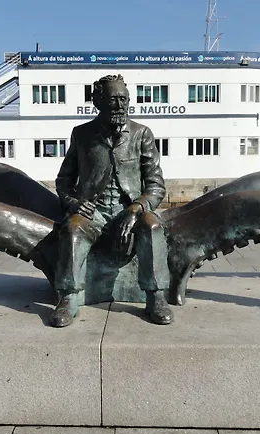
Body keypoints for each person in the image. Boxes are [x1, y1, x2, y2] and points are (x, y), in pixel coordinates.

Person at [51, 74, 173, 327]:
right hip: (92, 211)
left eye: (123, 99)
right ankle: (69, 296)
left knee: (152, 227)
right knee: (73, 229)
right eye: (112, 100)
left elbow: (155, 186)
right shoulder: (82, 134)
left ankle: (156, 296)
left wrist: (136, 209)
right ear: (97, 102)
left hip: (130, 208)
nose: (119, 105)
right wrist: (73, 203)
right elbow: (64, 180)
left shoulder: (141, 134)